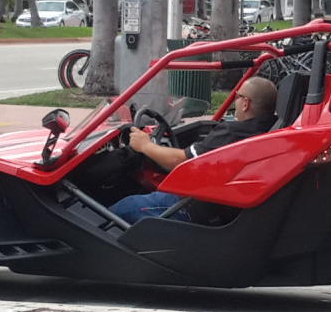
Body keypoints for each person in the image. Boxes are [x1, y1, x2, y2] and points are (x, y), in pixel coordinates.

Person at [110, 77, 279, 225]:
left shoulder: (233, 133)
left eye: (237, 97)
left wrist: (145, 145)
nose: (236, 101)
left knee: (123, 208)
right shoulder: (269, 129)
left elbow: (181, 161)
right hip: (219, 205)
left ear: (246, 103)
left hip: (192, 207)